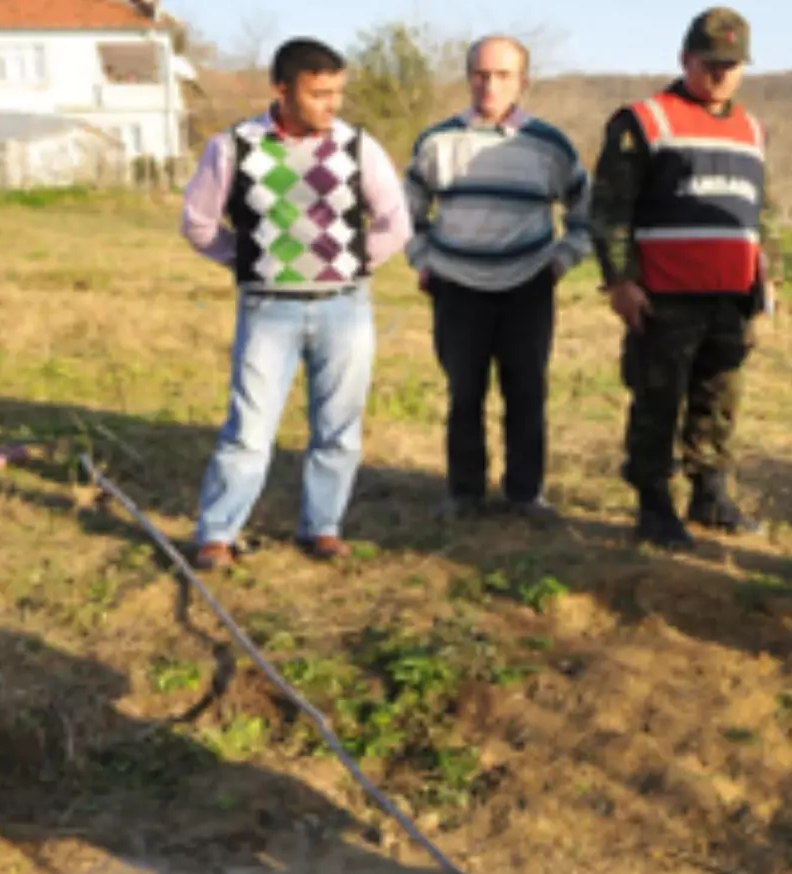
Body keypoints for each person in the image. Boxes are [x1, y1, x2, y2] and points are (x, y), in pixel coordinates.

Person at [181, 37, 411, 569]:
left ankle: (322, 528)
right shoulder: (233, 147)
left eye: (337, 93)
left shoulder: (358, 147)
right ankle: (217, 533)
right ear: (281, 90)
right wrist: (249, 261)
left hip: (344, 308)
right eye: (318, 93)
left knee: (339, 427)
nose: (332, 105)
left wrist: (349, 264)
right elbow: (198, 223)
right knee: (250, 428)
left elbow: (395, 222)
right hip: (268, 311)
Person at [588, 7, 772, 550]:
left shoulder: (751, 128)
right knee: (658, 400)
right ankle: (653, 502)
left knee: (719, 399)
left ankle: (709, 493)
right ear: (686, 59)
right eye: (710, 62)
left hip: (731, 296)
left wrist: (769, 277)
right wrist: (620, 281)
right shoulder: (644, 121)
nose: (720, 75)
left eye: (732, 65)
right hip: (665, 296)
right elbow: (609, 210)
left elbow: (763, 211)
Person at [405, 34, 592, 524]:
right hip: (457, 287)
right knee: (464, 393)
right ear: (468, 77)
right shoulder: (436, 141)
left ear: (522, 82)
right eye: (481, 74)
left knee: (526, 392)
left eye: (503, 75)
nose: (490, 85)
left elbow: (588, 211)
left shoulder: (550, 146)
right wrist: (422, 259)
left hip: (527, 285)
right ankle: (465, 492)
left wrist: (561, 261)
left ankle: (525, 494)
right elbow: (405, 213)